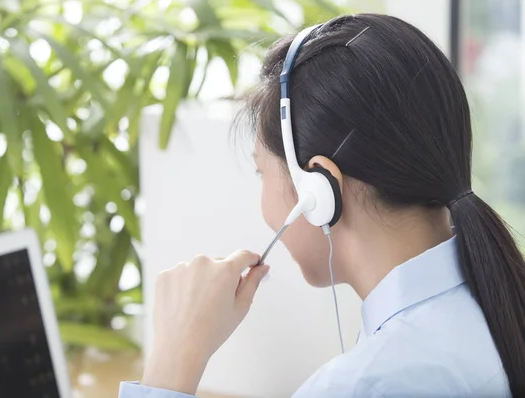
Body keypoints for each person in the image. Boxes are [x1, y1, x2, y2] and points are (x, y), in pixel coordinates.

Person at [119, 13, 525, 397]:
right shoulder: (496, 299)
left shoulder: (363, 384)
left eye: (263, 174)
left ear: (319, 187)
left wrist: (172, 363)